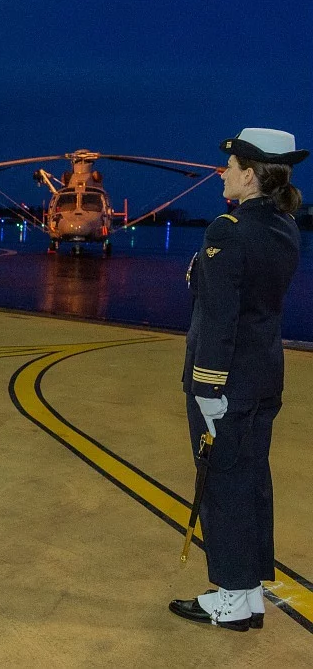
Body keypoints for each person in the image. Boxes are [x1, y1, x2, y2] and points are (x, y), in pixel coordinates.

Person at [170, 128, 306, 631]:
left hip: (225, 381)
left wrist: (207, 388)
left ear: (249, 175)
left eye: (230, 167)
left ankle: (228, 597)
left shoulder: (228, 230)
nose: (223, 173)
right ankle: (248, 592)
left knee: (223, 486)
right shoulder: (284, 227)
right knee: (252, 482)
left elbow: (220, 317)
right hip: (263, 376)